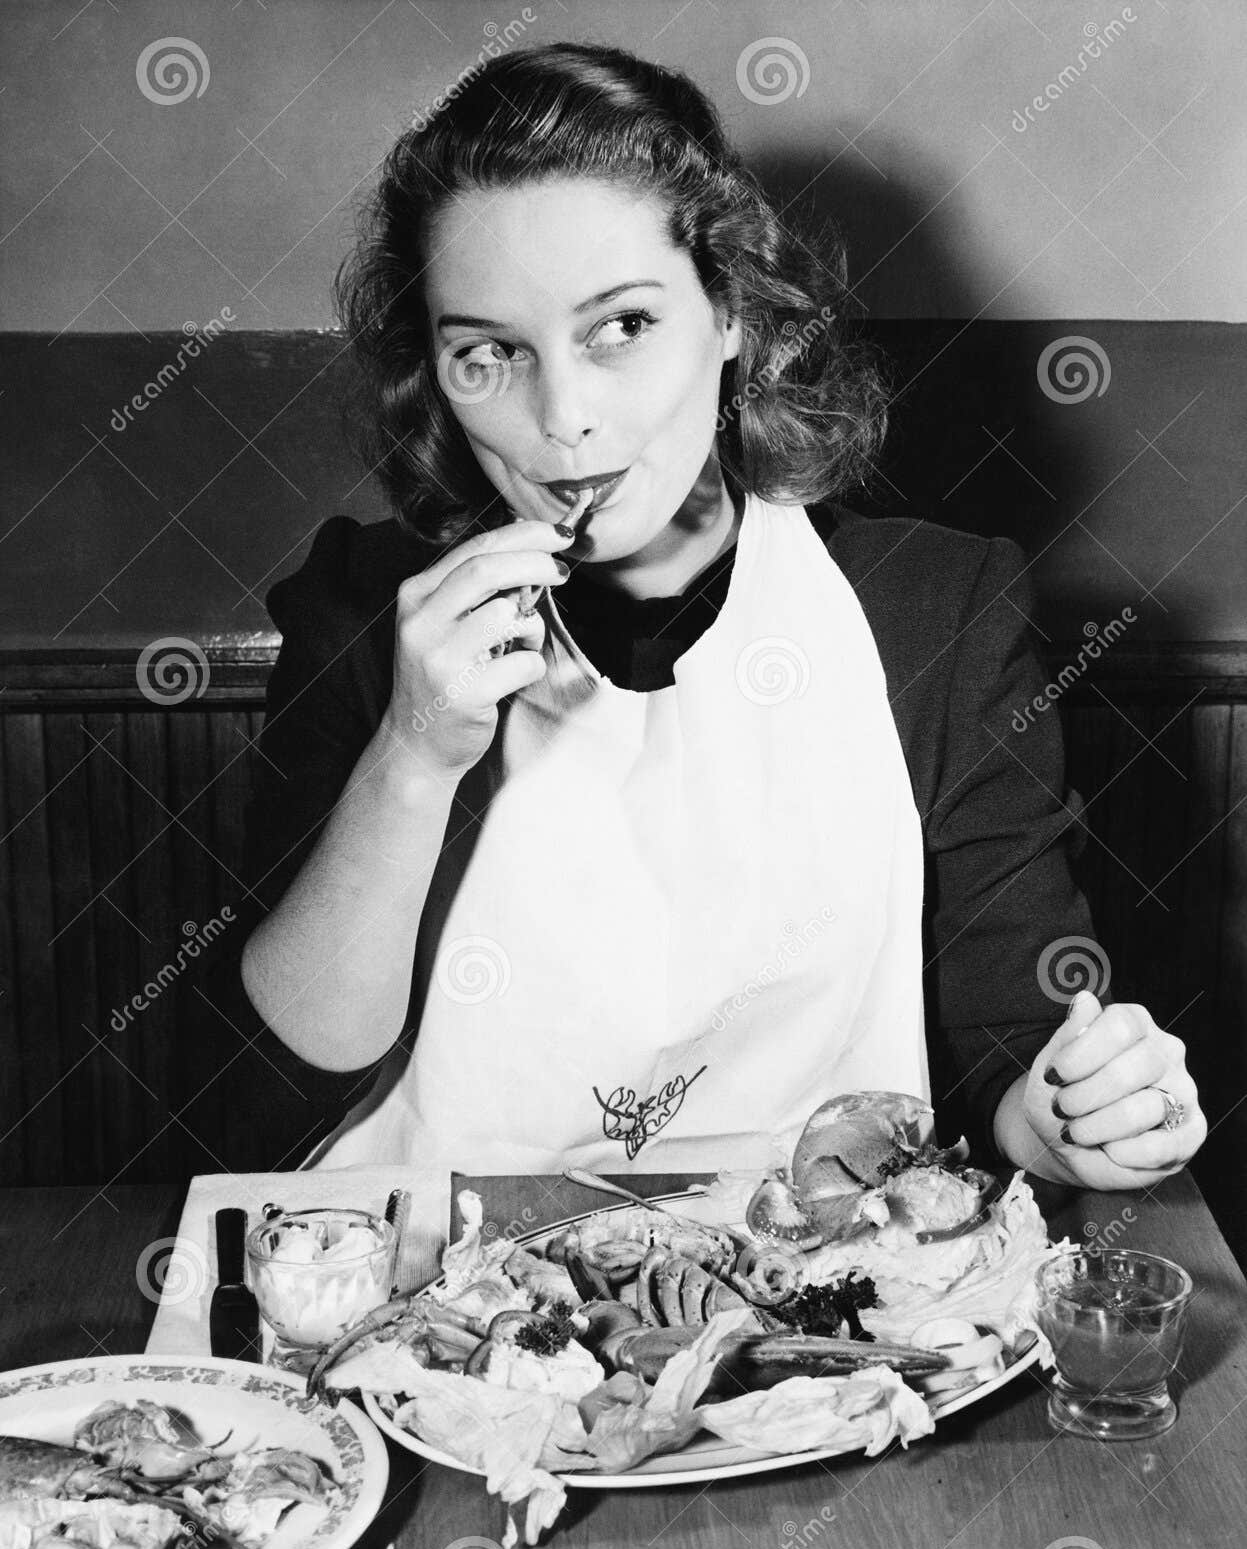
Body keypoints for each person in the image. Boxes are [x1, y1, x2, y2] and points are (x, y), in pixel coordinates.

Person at [201, 41, 1203, 1191]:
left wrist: (1075, 1113)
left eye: (619, 326)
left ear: (728, 314)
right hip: (434, 1281)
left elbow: (1009, 1052)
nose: (561, 417)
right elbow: (266, 1094)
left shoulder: (932, 610)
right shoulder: (362, 605)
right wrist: (411, 759)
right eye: (488, 352)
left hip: (814, 1282)